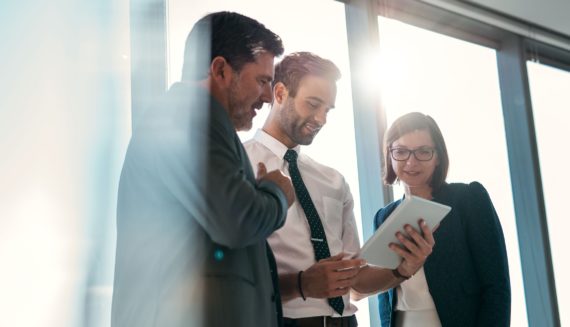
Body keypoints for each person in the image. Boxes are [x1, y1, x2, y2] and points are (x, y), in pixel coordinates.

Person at [111, 12, 295, 327]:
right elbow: (237, 220)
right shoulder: (187, 117)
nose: (267, 97)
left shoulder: (196, 121)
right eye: (262, 81)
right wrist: (277, 192)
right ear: (220, 69)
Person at [244, 52, 435, 327]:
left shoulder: (333, 180)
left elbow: (355, 278)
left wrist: (402, 270)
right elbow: (229, 275)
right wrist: (301, 285)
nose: (321, 119)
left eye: (328, 109)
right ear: (280, 93)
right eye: (313, 104)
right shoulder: (241, 166)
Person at [375, 112, 511, 327]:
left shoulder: (468, 199)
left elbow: (496, 286)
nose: (411, 161)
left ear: (438, 157)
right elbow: (384, 296)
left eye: (423, 152)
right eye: (401, 151)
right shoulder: (384, 216)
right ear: (389, 156)